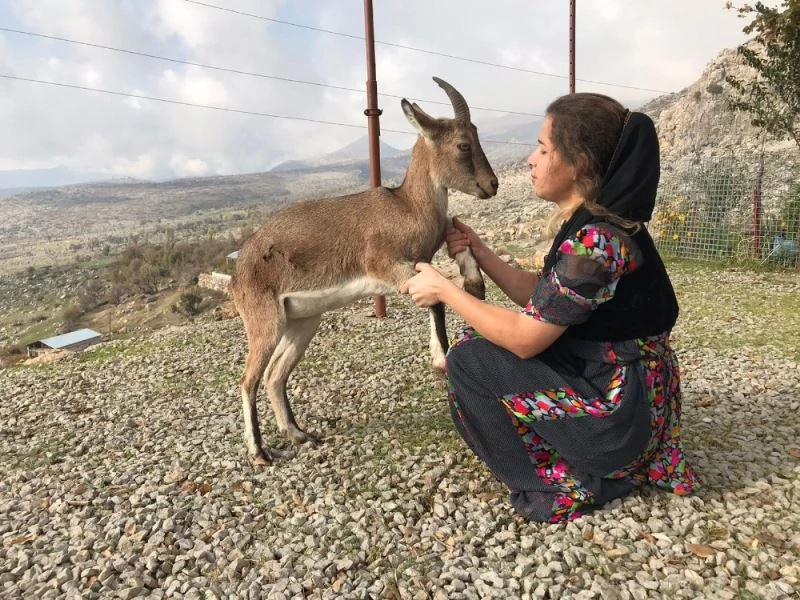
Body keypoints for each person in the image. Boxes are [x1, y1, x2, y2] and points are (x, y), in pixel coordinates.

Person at [399, 92, 698, 523]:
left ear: (578, 163)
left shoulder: (597, 243)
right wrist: (481, 253)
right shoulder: (601, 227)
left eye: (543, 149)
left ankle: (560, 482)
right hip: (632, 409)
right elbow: (547, 299)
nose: (531, 160)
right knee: (479, 347)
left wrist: (446, 291)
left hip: (617, 422)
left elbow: (525, 337)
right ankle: (610, 459)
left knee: (468, 358)